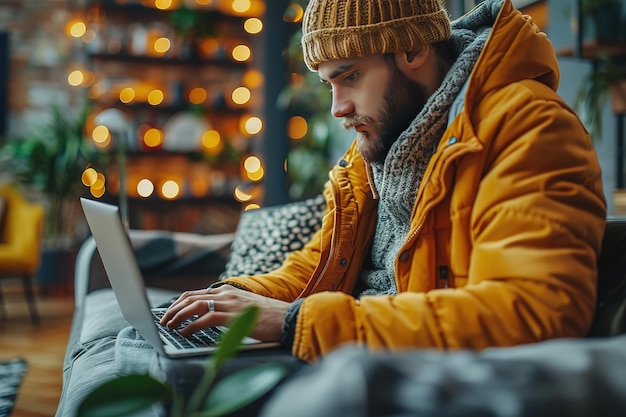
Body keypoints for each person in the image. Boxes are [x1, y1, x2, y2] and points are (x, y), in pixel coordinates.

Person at [160, 0, 607, 364]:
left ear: (411, 49)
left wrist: (298, 324)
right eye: (328, 85)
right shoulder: (380, 146)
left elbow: (532, 315)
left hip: (419, 382)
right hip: (355, 358)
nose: (337, 108)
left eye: (350, 77)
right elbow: (320, 263)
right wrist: (233, 298)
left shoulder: (528, 128)